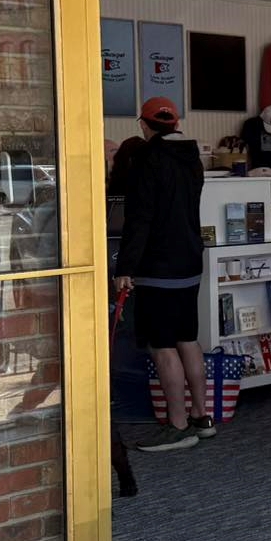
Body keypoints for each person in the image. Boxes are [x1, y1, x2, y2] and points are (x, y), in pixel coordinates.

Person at [111, 97, 211, 452]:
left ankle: (178, 426)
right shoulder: (192, 158)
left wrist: (125, 269)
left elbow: (140, 219)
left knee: (162, 346)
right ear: (176, 122)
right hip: (189, 261)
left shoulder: (148, 160)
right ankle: (202, 416)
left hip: (158, 266)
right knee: (187, 339)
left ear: (144, 124)